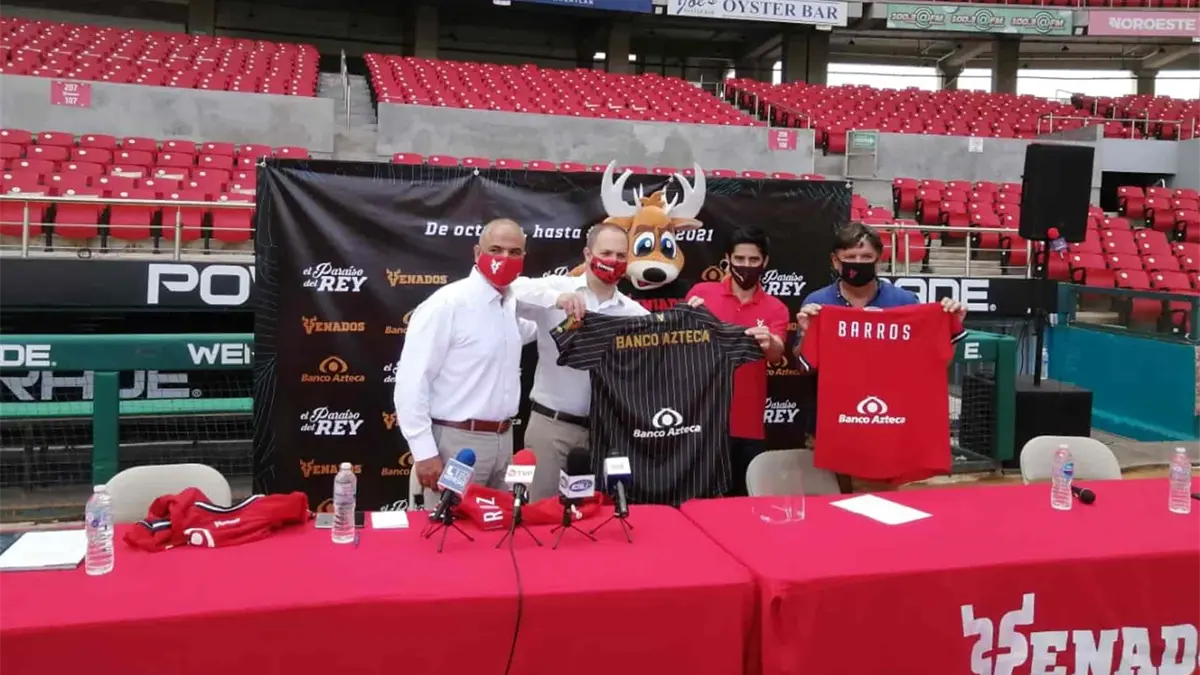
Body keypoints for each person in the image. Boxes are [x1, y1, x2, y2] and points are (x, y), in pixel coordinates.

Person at [792, 221, 967, 492]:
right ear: (835, 261)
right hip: (830, 427)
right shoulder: (819, 303)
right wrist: (807, 334)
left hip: (885, 429)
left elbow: (934, 365)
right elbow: (804, 366)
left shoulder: (904, 302)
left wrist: (947, 327)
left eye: (866, 257)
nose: (858, 263)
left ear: (878, 260)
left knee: (877, 506)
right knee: (826, 506)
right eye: (851, 257)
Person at [393, 218, 538, 506]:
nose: (504, 258)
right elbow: (411, 382)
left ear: (523, 257)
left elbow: (536, 329)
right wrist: (424, 452)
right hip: (455, 444)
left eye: (514, 252)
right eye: (495, 250)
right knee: (446, 528)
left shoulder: (510, 306)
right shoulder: (447, 304)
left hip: (504, 441)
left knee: (498, 527)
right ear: (477, 253)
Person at [508, 223, 649, 501]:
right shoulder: (558, 289)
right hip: (552, 428)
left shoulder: (634, 314)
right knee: (542, 513)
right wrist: (556, 299)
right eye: (606, 253)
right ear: (587, 254)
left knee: (593, 515)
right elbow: (509, 289)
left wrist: (690, 317)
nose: (613, 261)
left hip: (606, 434)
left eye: (621, 256)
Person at [684, 227, 788, 496]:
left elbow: (776, 354)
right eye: (740, 259)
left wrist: (770, 342)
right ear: (727, 259)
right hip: (701, 415)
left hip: (746, 420)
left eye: (754, 260)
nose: (746, 266)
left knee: (742, 501)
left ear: (765, 262)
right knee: (698, 498)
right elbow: (678, 344)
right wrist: (686, 318)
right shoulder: (701, 293)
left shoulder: (776, 308)